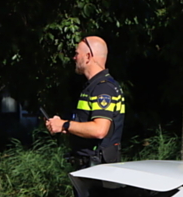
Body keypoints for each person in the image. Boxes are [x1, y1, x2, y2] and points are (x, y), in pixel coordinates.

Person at [46, 36, 125, 168]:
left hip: (97, 170)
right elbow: (88, 125)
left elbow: (99, 130)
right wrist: (69, 127)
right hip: (91, 167)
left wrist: (64, 124)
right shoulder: (94, 86)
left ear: (88, 57)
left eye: (77, 54)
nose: (74, 58)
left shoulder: (102, 88)